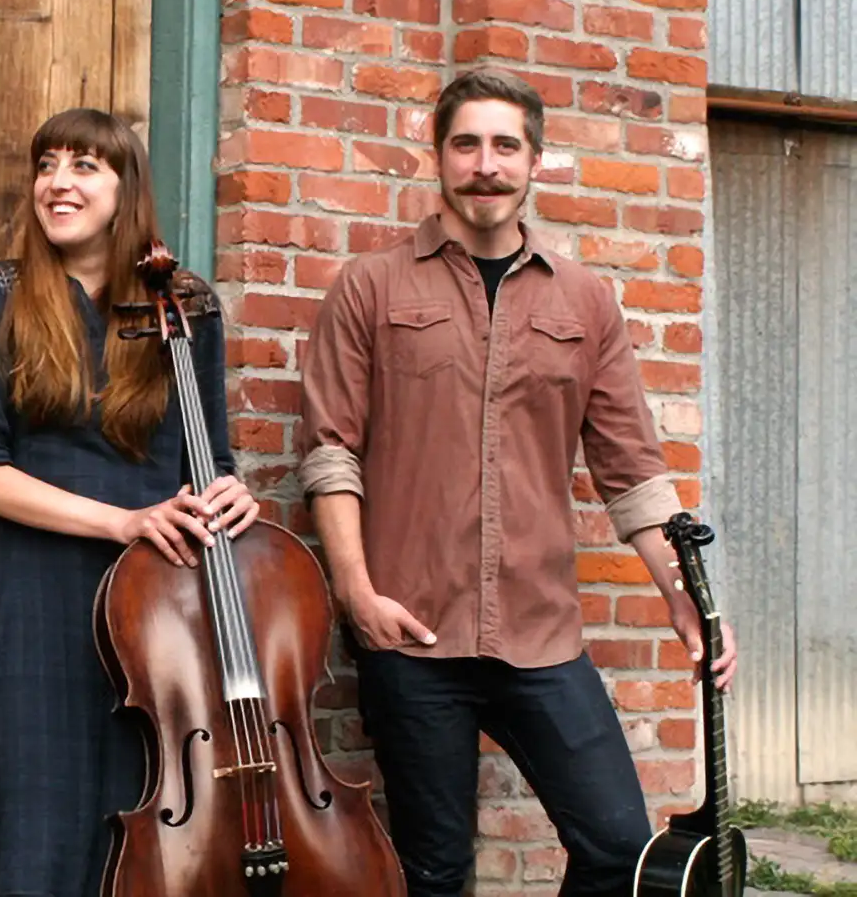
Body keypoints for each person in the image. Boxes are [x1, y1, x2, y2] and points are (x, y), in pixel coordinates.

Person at [297, 67, 739, 897]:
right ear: (437, 157)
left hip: (540, 632)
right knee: (435, 871)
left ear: (535, 160)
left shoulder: (585, 302)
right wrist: (357, 593)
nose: (485, 164)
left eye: (506, 145)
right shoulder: (372, 286)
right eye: (466, 144)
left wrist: (682, 596)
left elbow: (634, 472)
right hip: (411, 631)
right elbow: (331, 453)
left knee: (618, 848)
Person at [0, 107, 261, 896]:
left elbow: (208, 456)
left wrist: (231, 495)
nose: (58, 182)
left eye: (85, 166)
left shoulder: (188, 304)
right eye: (47, 165)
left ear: (126, 187)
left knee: (141, 807)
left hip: (155, 604)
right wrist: (121, 521)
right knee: (29, 812)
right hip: (31, 592)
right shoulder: (3, 291)